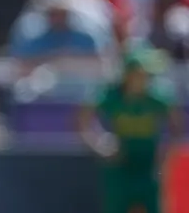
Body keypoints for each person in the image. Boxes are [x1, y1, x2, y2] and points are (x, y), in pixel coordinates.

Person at [78, 49, 183, 213]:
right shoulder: (112, 96)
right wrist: (99, 145)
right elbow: (84, 120)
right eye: (142, 74)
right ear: (129, 75)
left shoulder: (156, 97)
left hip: (148, 167)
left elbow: (176, 124)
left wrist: (167, 151)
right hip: (120, 166)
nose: (146, 79)